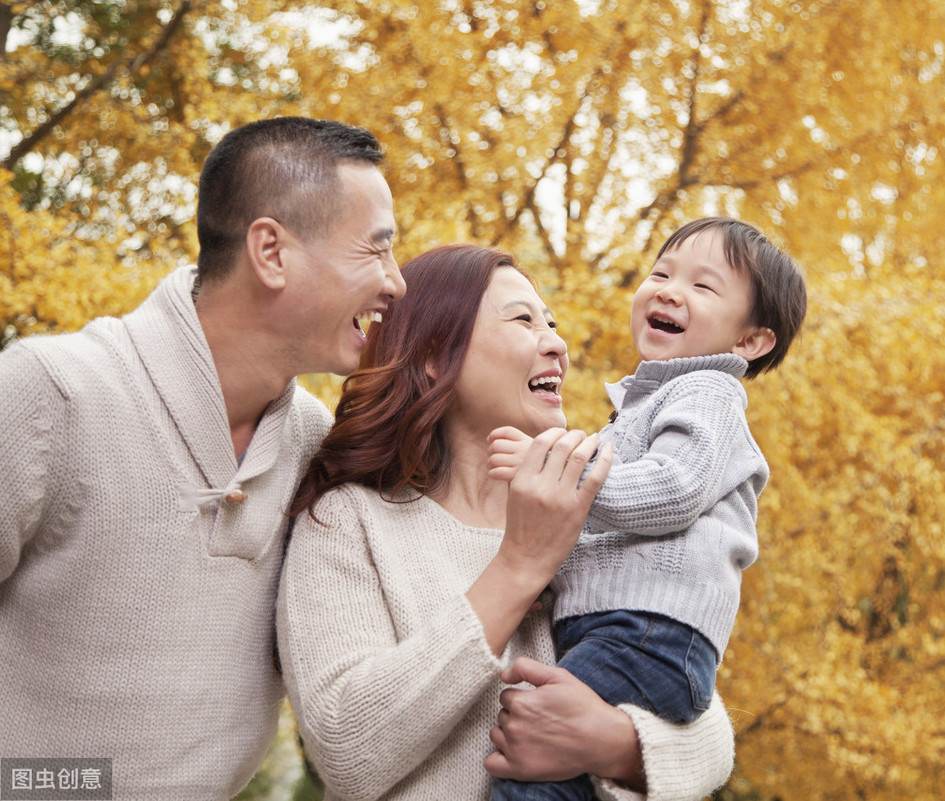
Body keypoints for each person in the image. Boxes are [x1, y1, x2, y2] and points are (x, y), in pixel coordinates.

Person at [0, 117, 405, 800]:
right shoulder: (52, 390)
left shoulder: (313, 439)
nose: (395, 282)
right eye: (377, 250)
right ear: (271, 251)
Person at [278, 244, 736, 801]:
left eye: (553, 323)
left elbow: (686, 683)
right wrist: (520, 566)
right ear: (430, 354)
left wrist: (618, 746)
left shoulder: (595, 508)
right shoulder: (349, 519)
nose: (557, 344)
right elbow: (346, 748)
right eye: (523, 320)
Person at [488, 217, 807, 800]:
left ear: (749, 341)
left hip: (648, 633)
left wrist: (560, 475)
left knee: (533, 765)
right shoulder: (646, 405)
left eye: (703, 287)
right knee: (551, 768)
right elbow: (602, 541)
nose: (667, 290)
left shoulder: (709, 392)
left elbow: (674, 489)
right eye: (661, 273)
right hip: (621, 631)